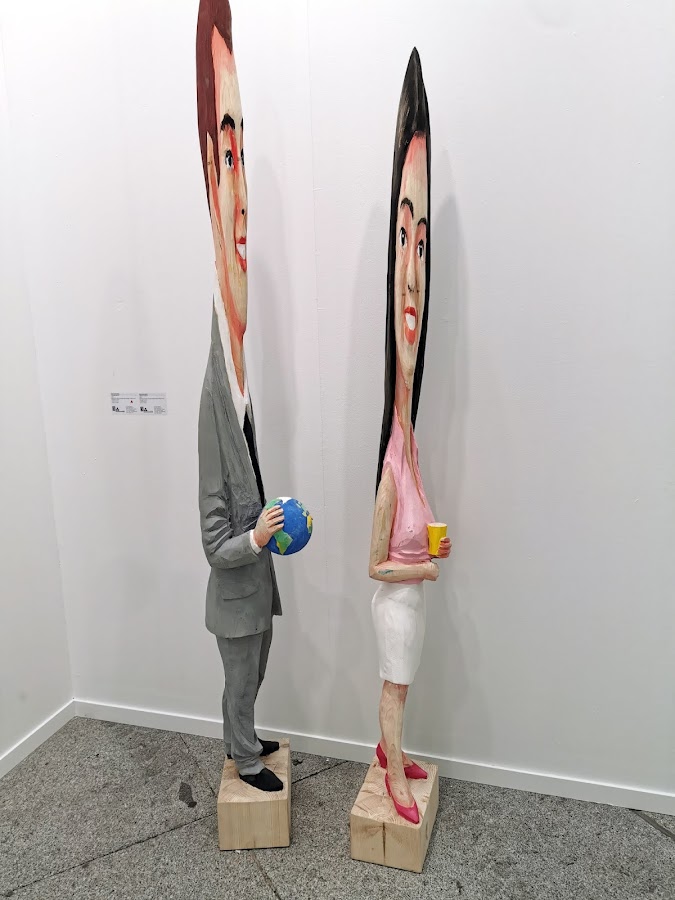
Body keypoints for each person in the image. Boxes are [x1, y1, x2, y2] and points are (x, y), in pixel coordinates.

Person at [196, 0, 284, 792]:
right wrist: (255, 536)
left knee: (256, 675)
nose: (242, 185)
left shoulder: (241, 379)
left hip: (258, 589)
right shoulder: (213, 396)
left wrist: (272, 521)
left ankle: (249, 736)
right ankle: (242, 756)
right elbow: (213, 538)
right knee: (237, 680)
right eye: (228, 154)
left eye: (244, 153)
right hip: (235, 592)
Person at [369, 48, 452, 824]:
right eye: (403, 241)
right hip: (397, 603)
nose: (413, 270)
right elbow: (371, 563)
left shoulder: (411, 447)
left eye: (422, 244)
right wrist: (421, 570)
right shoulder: (390, 470)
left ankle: (388, 750)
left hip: (413, 603)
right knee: (393, 686)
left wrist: (433, 551)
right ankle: (392, 774)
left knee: (405, 683)